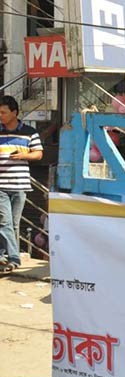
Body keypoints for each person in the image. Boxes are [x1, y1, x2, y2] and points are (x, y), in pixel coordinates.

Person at [0, 96, 43, 274]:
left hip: (20, 184)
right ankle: (14, 258)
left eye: (3, 112)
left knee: (14, 224)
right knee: (4, 221)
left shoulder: (30, 132)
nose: (0, 115)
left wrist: (23, 156)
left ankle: (5, 256)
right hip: (1, 184)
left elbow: (38, 154)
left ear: (14, 112)